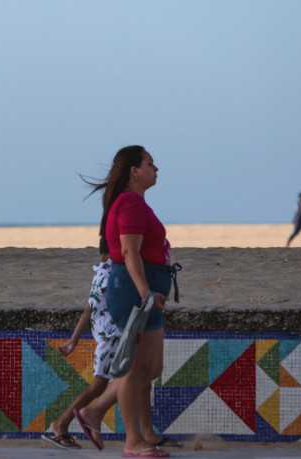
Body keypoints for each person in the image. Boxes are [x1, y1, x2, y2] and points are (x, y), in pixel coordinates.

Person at [80, 145, 174, 458]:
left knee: (152, 367)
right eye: (150, 163)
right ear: (134, 171)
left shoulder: (137, 203)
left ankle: (95, 412)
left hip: (146, 291)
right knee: (134, 370)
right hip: (133, 292)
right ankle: (133, 441)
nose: (156, 169)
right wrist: (146, 293)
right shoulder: (130, 203)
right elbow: (129, 252)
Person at [42, 236, 118, 449]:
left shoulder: (101, 274)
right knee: (101, 387)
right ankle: (62, 423)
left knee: (110, 386)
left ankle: (66, 422)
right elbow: (118, 304)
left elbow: (88, 310)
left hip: (110, 338)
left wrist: (72, 341)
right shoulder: (108, 276)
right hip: (111, 338)